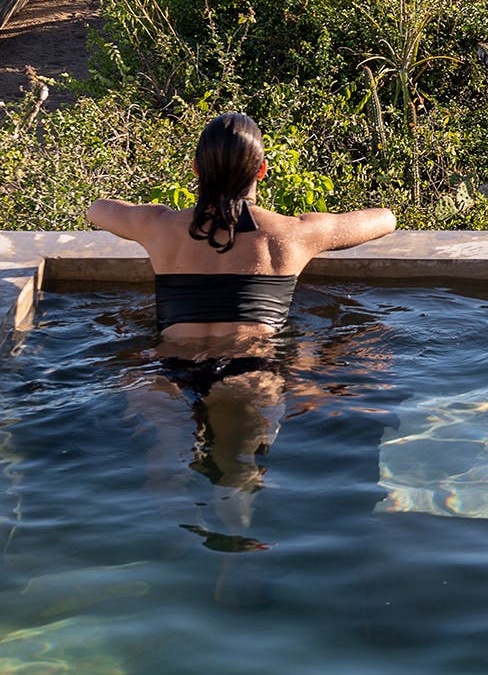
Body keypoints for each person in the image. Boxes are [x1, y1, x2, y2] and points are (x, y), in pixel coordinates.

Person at [86, 112, 396, 557]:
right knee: (241, 474)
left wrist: (150, 214)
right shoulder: (293, 234)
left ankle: (172, 558)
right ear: (262, 171)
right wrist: (317, 222)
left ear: (195, 170)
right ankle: (236, 560)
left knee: (164, 469)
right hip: (251, 372)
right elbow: (383, 218)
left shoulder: (158, 226)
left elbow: (97, 209)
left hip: (165, 369)